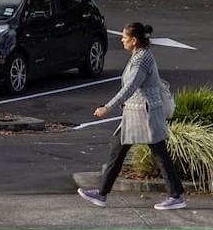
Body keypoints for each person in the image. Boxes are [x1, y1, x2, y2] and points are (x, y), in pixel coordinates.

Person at [78, 22, 186, 210]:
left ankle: (176, 196)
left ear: (134, 40)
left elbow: (130, 87)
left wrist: (107, 107)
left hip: (145, 115)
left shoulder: (141, 60)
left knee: (160, 154)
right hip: (135, 114)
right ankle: (102, 194)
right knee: (119, 152)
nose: (122, 40)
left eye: (125, 37)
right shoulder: (140, 55)